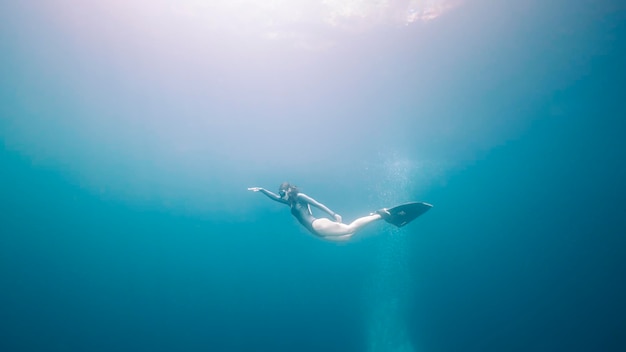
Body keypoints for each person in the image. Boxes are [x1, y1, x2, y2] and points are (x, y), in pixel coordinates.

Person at [248, 182, 391, 241]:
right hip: (316, 232)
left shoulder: (299, 197)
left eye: (281, 192)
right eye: (279, 193)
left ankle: (379, 215)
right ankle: (372, 216)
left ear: (289, 190)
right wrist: (261, 190)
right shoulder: (289, 202)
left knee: (349, 228)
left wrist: (333, 214)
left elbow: (317, 204)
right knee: (347, 237)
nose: (280, 195)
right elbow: (274, 198)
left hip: (317, 225)